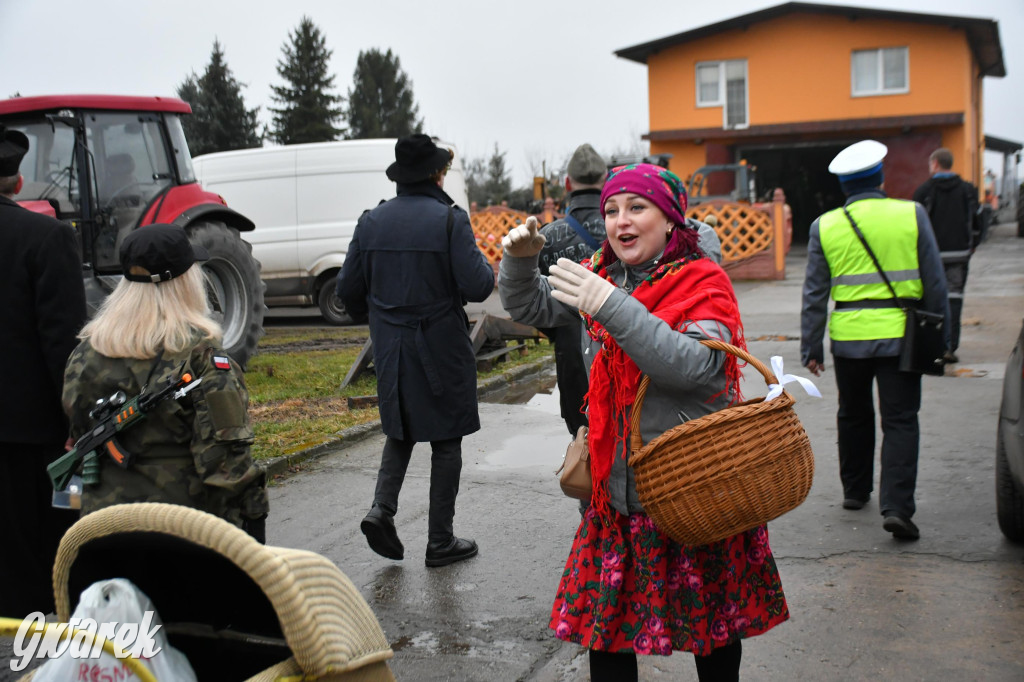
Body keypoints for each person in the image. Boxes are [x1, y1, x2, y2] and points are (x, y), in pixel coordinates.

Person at [499, 163, 789, 681]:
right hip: (618, 494)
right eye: (611, 210)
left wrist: (611, 305)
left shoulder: (703, 280)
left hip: (694, 487)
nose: (619, 221)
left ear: (670, 218)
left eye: (637, 208)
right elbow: (529, 303)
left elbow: (695, 368)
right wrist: (520, 262)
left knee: (712, 633)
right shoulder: (602, 274)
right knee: (606, 634)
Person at [336, 134, 495, 568]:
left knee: (400, 430)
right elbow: (479, 285)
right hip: (440, 345)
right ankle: (440, 541)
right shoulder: (450, 220)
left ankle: (381, 510)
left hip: (390, 348)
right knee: (446, 440)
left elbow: (346, 291)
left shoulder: (370, 221)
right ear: (437, 173)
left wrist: (381, 318)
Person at [62, 223, 269, 542]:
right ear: (186, 282)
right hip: (181, 531)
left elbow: (77, 430)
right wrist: (253, 523)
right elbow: (227, 465)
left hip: (101, 528)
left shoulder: (86, 351)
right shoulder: (201, 356)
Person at [801, 140, 948, 541]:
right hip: (903, 336)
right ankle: (897, 507)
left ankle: (854, 490)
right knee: (901, 420)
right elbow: (936, 283)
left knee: (853, 412)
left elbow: (815, 294)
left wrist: (811, 346)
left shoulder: (824, 226)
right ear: (879, 177)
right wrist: (943, 340)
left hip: (848, 337)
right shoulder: (911, 215)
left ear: (843, 187)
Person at [0, 125, 88, 617]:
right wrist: (79, 423)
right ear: (15, 181)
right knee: (33, 570)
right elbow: (64, 349)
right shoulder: (47, 238)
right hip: (28, 438)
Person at [535, 143, 609, 435]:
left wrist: (563, 330)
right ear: (606, 181)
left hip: (571, 358)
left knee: (582, 445)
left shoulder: (548, 237)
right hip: (624, 353)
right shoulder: (624, 229)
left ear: (567, 183)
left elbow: (537, 304)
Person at [912, 147, 980, 364]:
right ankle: (950, 347)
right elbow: (978, 222)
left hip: (931, 257)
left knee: (928, 300)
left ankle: (932, 347)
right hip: (960, 255)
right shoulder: (968, 190)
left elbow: (915, 226)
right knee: (954, 300)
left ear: (935, 164)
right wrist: (972, 245)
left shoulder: (924, 191)